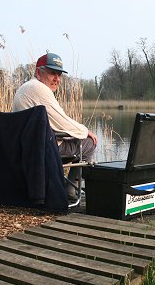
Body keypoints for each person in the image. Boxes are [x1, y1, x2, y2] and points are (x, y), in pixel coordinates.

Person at [12, 52, 97, 199]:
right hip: (42, 149)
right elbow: (61, 122)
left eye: (59, 75)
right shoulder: (39, 88)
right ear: (38, 72)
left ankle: (61, 186)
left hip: (26, 147)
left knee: (77, 137)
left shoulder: (26, 87)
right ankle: (70, 188)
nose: (57, 79)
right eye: (52, 73)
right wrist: (85, 131)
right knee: (89, 142)